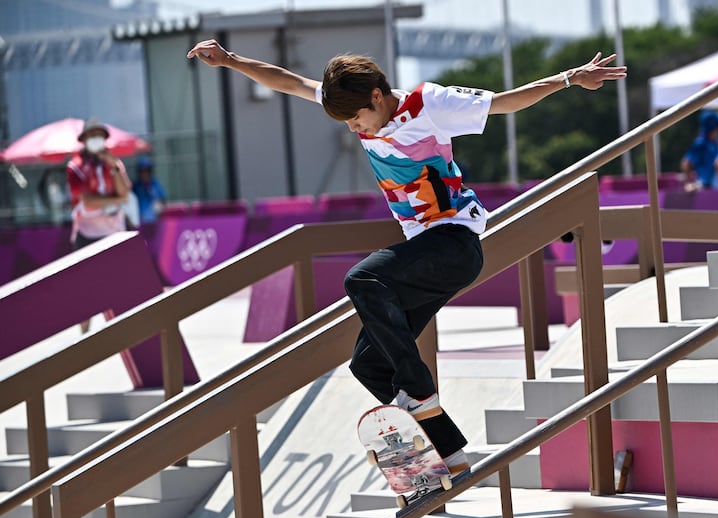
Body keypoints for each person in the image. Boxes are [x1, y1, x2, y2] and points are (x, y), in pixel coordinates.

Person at [187, 39, 626, 473]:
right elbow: (288, 81)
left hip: (454, 241)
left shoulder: (429, 103)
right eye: (348, 124)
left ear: (377, 96)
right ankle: (449, 454)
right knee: (367, 364)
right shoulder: (349, 98)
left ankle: (418, 393)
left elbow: (506, 103)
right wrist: (231, 61)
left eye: (359, 119)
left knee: (363, 280)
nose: (357, 130)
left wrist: (569, 78)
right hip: (425, 252)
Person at [67, 117, 132, 331]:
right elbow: (88, 200)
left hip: (113, 232)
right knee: (84, 290)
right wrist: (115, 200)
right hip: (87, 234)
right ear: (84, 139)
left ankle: (121, 331)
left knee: (119, 286)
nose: (96, 139)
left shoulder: (114, 163)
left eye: (99, 135)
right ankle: (84, 338)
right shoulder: (75, 166)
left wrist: (113, 167)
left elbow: (124, 192)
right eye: (91, 135)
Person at [681, 110, 718, 191]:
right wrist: (688, 182)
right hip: (705, 186)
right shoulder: (701, 144)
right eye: (717, 128)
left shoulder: (717, 143)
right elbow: (686, 163)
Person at [132, 155, 168, 223]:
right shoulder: (135, 186)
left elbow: (163, 200)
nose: (144, 173)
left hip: (155, 221)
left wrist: (159, 207)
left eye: (147, 171)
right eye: (142, 171)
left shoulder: (155, 184)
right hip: (139, 221)